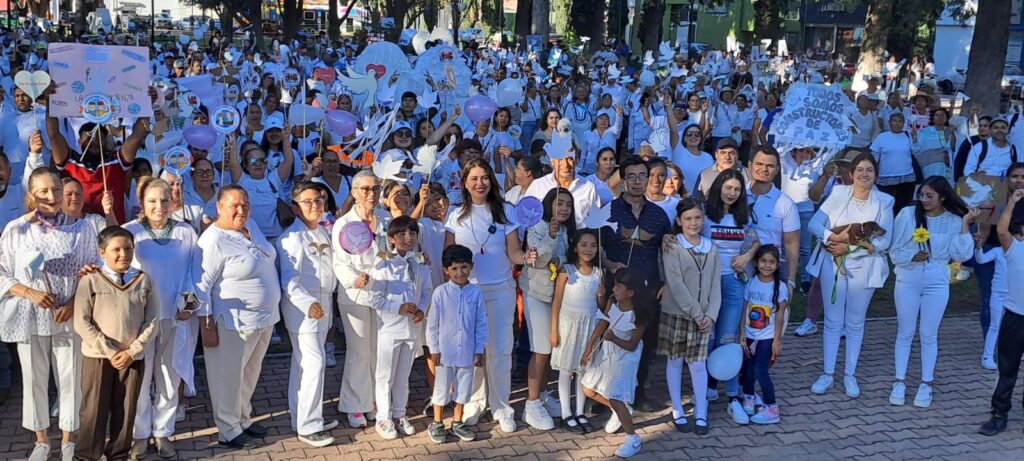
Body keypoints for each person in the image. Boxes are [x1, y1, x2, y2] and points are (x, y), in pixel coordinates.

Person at [0, 167, 100, 461]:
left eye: (56, 190)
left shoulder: (82, 229)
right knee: (34, 379)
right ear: (32, 195)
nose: (51, 197)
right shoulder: (16, 229)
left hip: (68, 316)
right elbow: (2, 272)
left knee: (70, 378)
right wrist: (28, 292)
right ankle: (42, 440)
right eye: (43, 191)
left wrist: (74, 304)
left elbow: (93, 270)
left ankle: (69, 439)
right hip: (30, 316)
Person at [443, 159, 537, 432]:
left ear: (491, 181)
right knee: (471, 350)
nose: (479, 183)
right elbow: (447, 258)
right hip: (467, 292)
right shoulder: (455, 214)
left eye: (484, 177)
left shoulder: (506, 211)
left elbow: (513, 252)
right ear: (465, 182)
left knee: (499, 349)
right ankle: (474, 402)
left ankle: (501, 406)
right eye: (473, 178)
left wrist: (526, 256)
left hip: (500, 289)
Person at [192, 185, 280, 449]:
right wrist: (206, 326)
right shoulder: (212, 240)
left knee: (250, 374)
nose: (241, 210)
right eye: (234, 206)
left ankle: (243, 418)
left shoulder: (250, 225)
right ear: (219, 207)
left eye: (245, 204)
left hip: (264, 319)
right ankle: (228, 429)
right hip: (233, 322)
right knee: (227, 376)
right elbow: (200, 286)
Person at [123, 178, 199, 459]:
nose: (159, 206)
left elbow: (196, 271)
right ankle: (140, 435)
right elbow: (122, 273)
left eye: (164, 200)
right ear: (142, 202)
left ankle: (163, 433)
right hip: (141, 321)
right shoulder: (130, 232)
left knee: (169, 376)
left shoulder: (185, 232)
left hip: (176, 317)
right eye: (152, 200)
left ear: (172, 201)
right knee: (141, 379)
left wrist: (190, 303)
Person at [806, 153, 894, 398]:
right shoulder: (838, 194)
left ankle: (850, 374)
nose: (865, 175)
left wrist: (851, 248)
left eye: (870, 170)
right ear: (852, 174)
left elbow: (885, 240)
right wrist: (831, 238)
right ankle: (827, 373)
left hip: (864, 266)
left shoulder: (885, 201)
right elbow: (814, 223)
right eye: (860, 170)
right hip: (832, 262)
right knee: (833, 320)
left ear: (876, 175)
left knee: (855, 322)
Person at [888, 177, 975, 408]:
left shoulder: (952, 220)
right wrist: (911, 256)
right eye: (922, 195)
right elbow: (895, 250)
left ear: (942, 197)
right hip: (908, 278)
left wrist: (965, 224)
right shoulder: (907, 215)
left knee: (928, 333)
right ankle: (899, 381)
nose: (924, 200)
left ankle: (926, 382)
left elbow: (962, 254)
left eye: (930, 196)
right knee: (905, 331)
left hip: (937, 280)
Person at [73, 226, 159, 461]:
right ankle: (86, 455)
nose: (123, 254)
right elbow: (82, 322)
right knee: (93, 411)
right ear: (102, 252)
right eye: (116, 250)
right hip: (99, 357)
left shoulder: (143, 280)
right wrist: (110, 351)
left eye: (128, 248)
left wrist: (133, 350)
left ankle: (119, 454)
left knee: (126, 409)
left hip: (132, 358)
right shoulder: (90, 280)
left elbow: (152, 320)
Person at [600, 155, 673, 411]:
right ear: (622, 180)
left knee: (643, 342)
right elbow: (595, 248)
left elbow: (668, 251)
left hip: (648, 288)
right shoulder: (609, 211)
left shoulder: (659, 215)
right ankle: (604, 396)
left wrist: (666, 282)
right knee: (609, 340)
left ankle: (638, 393)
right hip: (616, 288)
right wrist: (609, 266)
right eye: (631, 176)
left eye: (643, 176)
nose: (638, 181)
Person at [275, 182, 338, 447]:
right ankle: (309, 426)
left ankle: (302, 417)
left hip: (323, 308)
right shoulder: (291, 238)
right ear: (295, 207)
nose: (316, 206)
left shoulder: (322, 232)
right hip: (305, 311)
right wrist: (307, 303)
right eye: (308, 202)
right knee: (314, 364)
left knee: (304, 365)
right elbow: (289, 280)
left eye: (319, 201)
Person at [331, 171, 389, 429]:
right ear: (354, 192)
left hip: (383, 295)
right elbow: (338, 261)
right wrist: (353, 279)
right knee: (359, 351)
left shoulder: (386, 219)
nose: (371, 194)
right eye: (365, 189)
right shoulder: (343, 223)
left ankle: (375, 401)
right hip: (355, 295)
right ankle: (354, 404)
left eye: (375, 189)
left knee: (379, 350)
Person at [701, 169, 760, 423]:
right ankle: (706, 388)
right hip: (708, 284)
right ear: (719, 187)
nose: (732, 193)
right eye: (728, 188)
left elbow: (755, 241)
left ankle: (733, 397)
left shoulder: (743, 216)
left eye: (737, 189)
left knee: (728, 338)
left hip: (734, 283)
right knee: (708, 337)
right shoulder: (704, 215)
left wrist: (746, 257)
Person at [660, 198, 721, 434]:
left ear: (703, 219)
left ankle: (701, 410)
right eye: (688, 219)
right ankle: (677, 408)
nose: (693, 223)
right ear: (679, 221)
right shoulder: (673, 247)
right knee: (675, 361)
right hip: (679, 313)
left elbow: (716, 284)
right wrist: (697, 312)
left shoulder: (711, 248)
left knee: (698, 364)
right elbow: (675, 284)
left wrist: (711, 315)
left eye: (697, 218)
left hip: (703, 317)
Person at [369, 216, 433, 440]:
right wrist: (400, 307)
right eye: (402, 235)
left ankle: (399, 414)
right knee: (385, 375)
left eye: (412, 234)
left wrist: (422, 310)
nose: (408, 239)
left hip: (411, 329)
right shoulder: (383, 264)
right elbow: (375, 298)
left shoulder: (420, 265)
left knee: (403, 376)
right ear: (392, 239)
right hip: (390, 328)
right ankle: (383, 417)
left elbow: (427, 292)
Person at [580, 269, 651, 458]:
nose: (615, 288)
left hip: (625, 358)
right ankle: (620, 410)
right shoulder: (613, 303)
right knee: (588, 389)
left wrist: (612, 339)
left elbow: (631, 345)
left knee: (615, 395)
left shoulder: (638, 315)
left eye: (619, 285)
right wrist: (588, 349)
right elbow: (602, 325)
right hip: (608, 353)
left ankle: (632, 438)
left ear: (630, 292)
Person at [521, 188, 575, 431]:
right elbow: (538, 260)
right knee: (540, 350)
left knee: (550, 350)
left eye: (568, 205)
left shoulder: (567, 230)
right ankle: (531, 404)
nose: (563, 209)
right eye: (559, 203)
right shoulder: (537, 227)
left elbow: (565, 260)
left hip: (557, 296)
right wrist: (550, 236)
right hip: (536, 293)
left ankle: (542, 394)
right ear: (548, 205)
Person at [426, 245, 487, 444]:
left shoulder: (476, 293)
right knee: (442, 388)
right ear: (446, 270)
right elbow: (432, 324)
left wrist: (479, 349)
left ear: (471, 267)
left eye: (463, 267)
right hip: (445, 353)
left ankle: (457, 422)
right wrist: (434, 348)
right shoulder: (440, 293)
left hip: (468, 352)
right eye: (454, 269)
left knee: (463, 389)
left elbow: (480, 323)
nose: (459, 273)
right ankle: (437, 422)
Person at [978, 188, 1024, 436]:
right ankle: (999, 414)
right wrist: (1012, 202)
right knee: (1007, 369)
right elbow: (1002, 230)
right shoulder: (1015, 249)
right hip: (1015, 318)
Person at [738, 245, 789, 425]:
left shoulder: (780, 287)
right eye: (763, 261)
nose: (767, 265)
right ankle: (749, 397)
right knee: (748, 370)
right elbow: (745, 308)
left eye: (772, 262)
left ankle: (771, 407)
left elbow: (780, 315)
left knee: (761, 371)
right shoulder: (751, 282)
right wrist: (742, 332)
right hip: (750, 335)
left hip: (766, 338)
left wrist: (777, 340)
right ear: (756, 262)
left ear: (777, 265)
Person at [870, 113, 916, 213]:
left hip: (906, 177)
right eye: (894, 121)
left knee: (902, 207)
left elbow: (916, 151)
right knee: (884, 206)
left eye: (900, 121)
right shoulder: (881, 137)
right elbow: (874, 158)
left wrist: (915, 138)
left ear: (903, 123)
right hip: (886, 177)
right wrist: (873, 174)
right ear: (889, 122)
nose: (897, 123)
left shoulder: (908, 136)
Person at [977, 238, 1007, 370]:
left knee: (1015, 325)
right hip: (998, 294)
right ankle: (987, 356)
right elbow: (981, 259)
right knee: (995, 325)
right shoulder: (997, 251)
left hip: (1016, 295)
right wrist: (978, 247)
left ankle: (1013, 352)